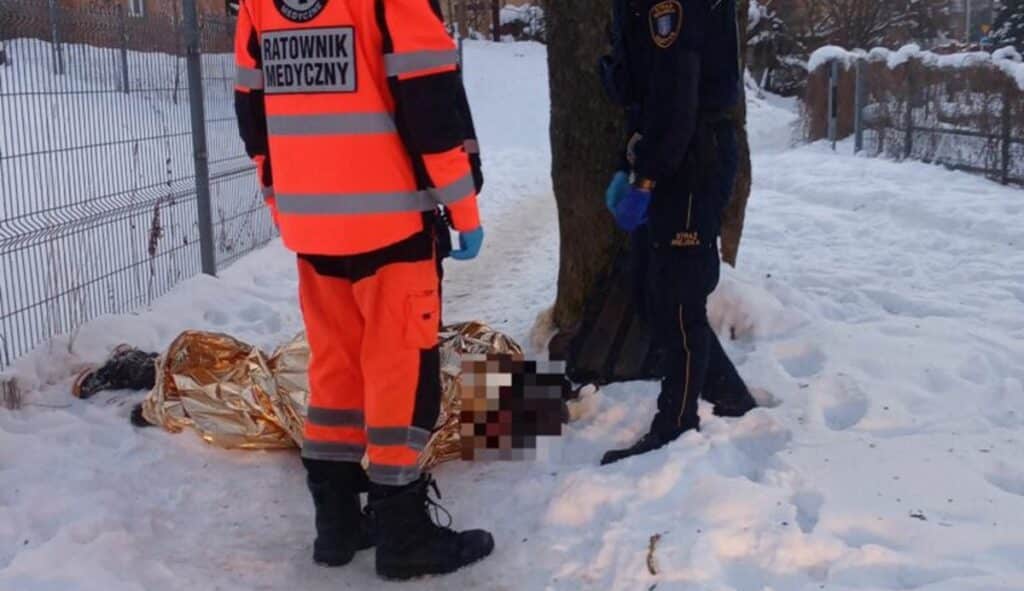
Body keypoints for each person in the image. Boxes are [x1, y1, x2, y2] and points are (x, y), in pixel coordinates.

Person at [233, 0, 493, 579]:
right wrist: (465, 211)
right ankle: (403, 535)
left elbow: (251, 112)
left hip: (312, 228)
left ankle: (337, 523)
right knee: (401, 371)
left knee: (336, 370)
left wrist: (283, 202)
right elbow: (432, 108)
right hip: (391, 224)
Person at [600, 0, 757, 466]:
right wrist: (627, 166)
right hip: (672, 152)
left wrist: (645, 177)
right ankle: (729, 395)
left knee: (676, 299)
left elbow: (676, 97)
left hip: (690, 159)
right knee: (655, 294)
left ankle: (677, 422)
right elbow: (641, 84)